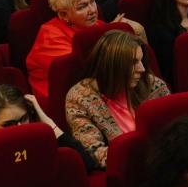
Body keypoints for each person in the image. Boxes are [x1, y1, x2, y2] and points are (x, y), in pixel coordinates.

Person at [65, 28, 169, 169]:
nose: (142, 69)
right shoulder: (81, 97)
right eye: (133, 62)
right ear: (112, 66)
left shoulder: (153, 85)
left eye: (141, 60)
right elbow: (94, 153)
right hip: (126, 170)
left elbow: (177, 129)